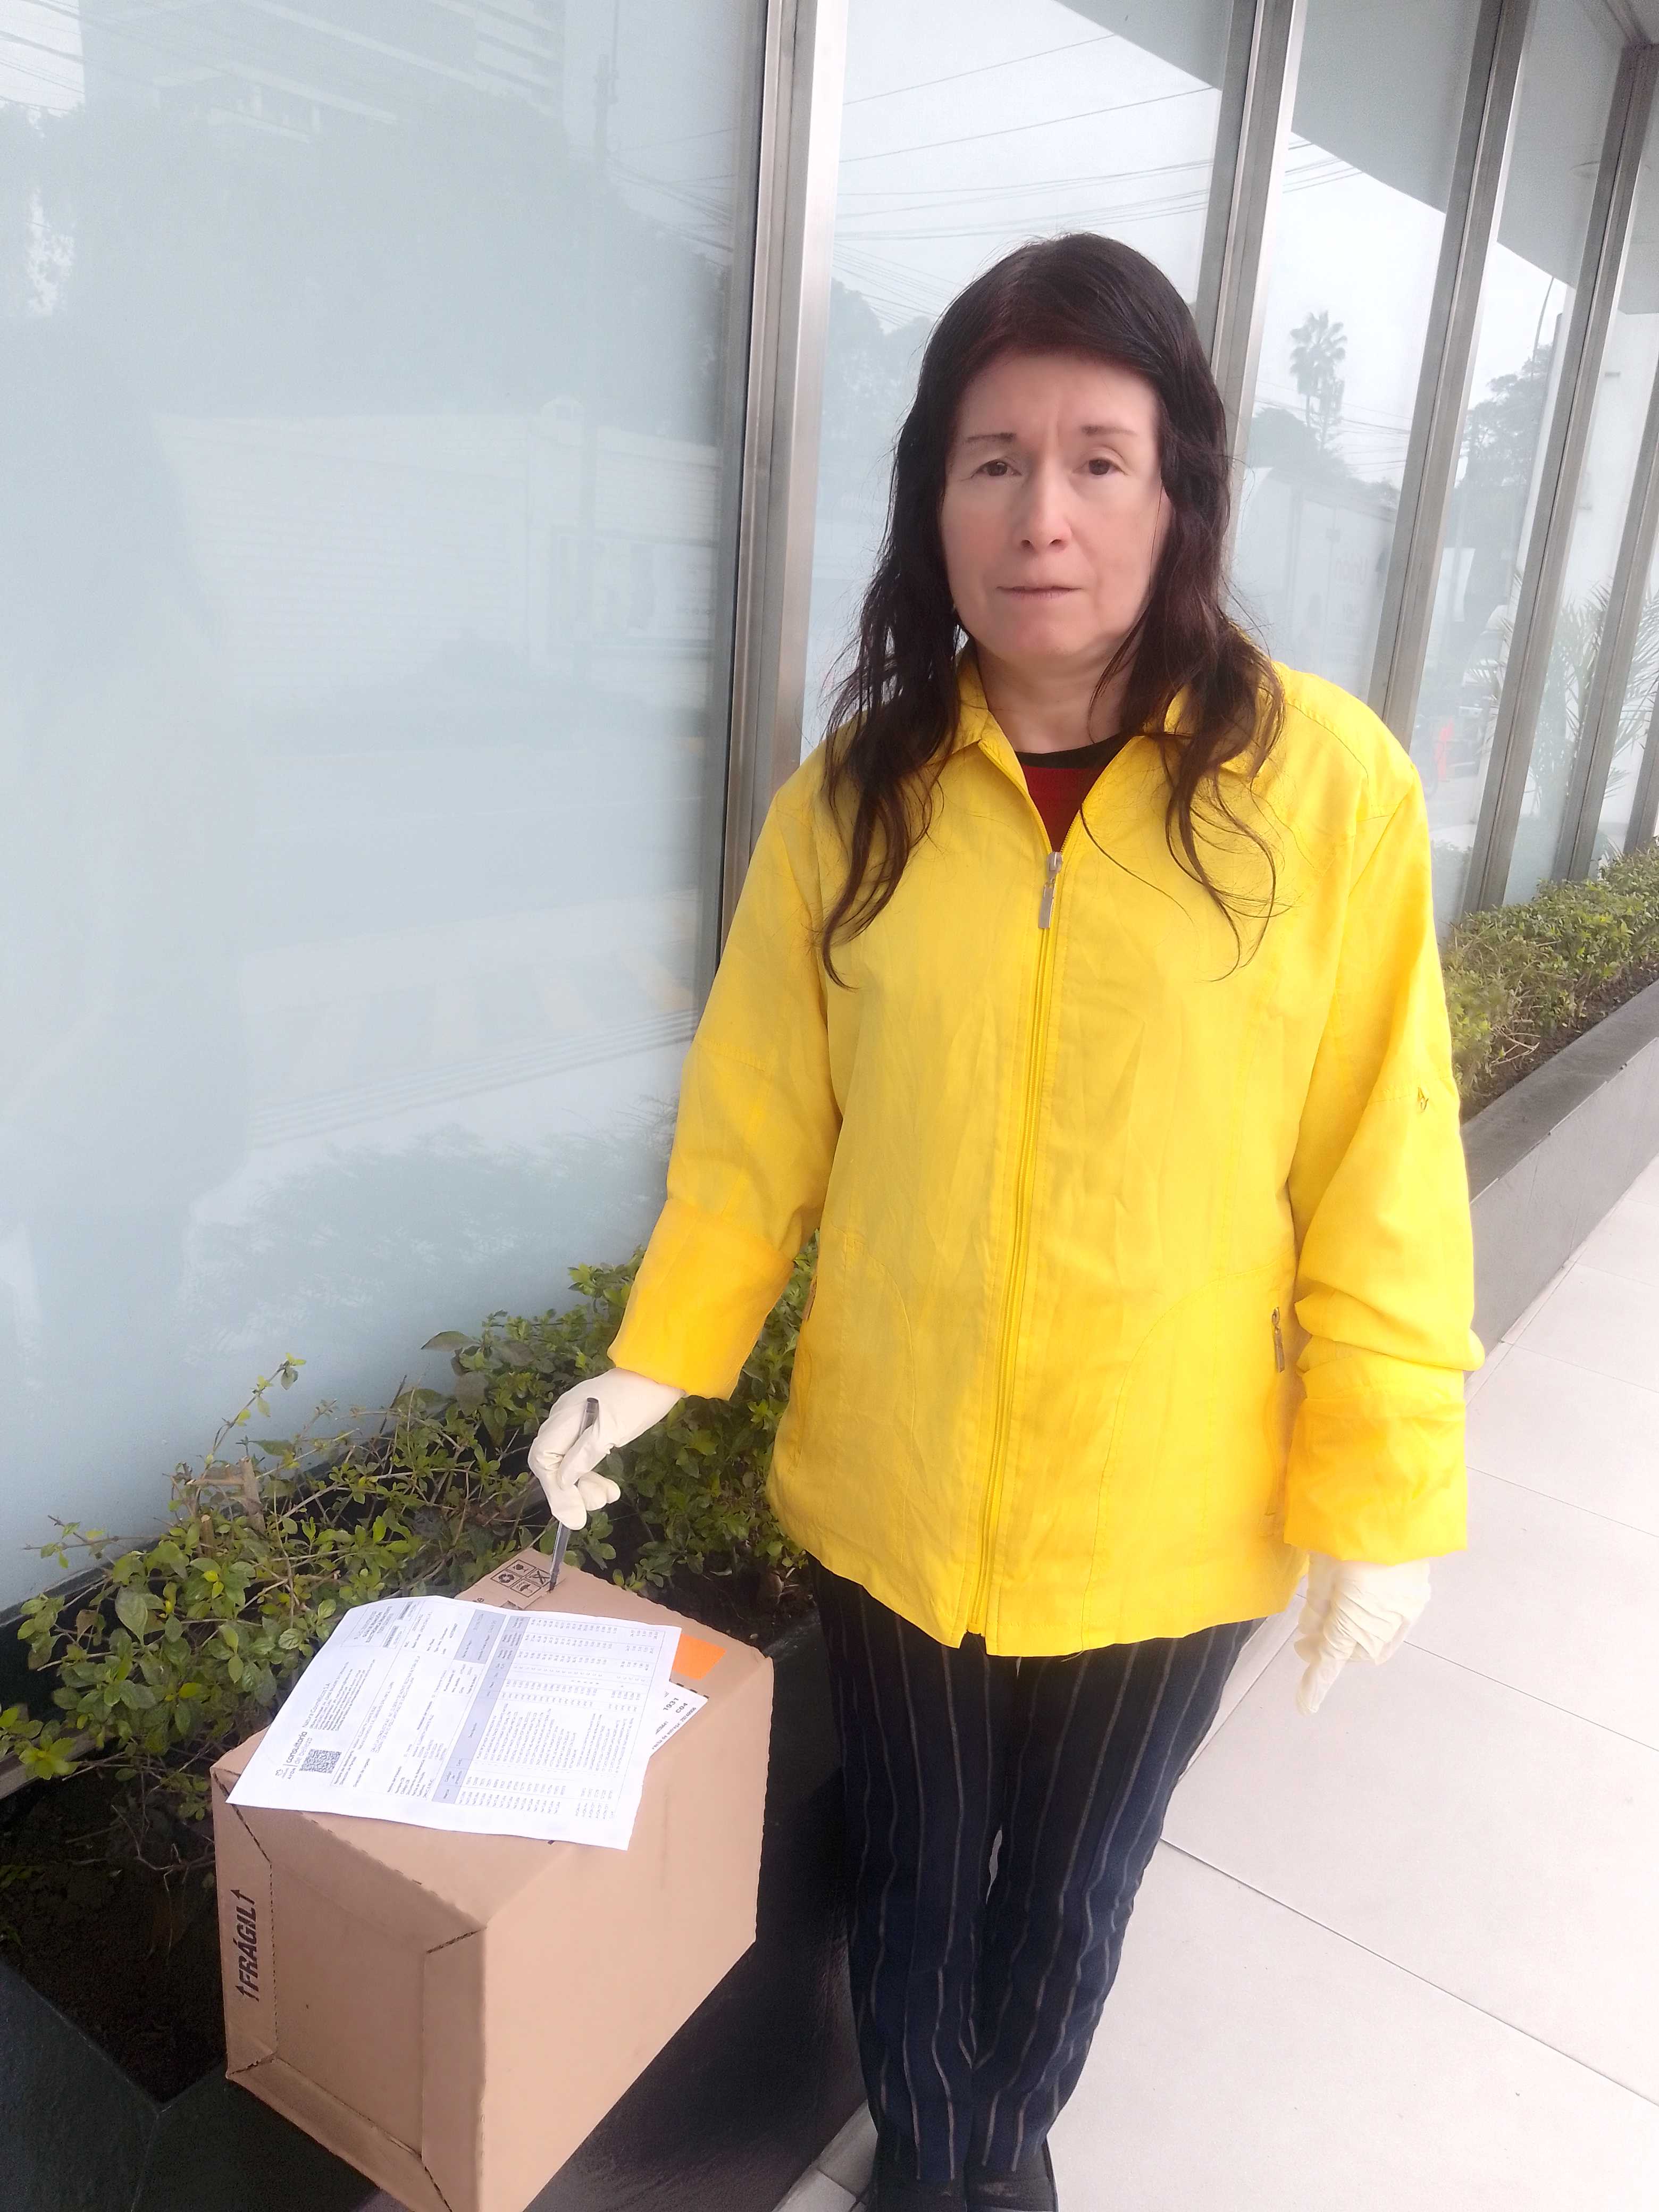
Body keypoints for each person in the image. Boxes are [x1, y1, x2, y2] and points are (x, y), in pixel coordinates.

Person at [525, 234, 1484, 2211]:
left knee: (1071, 1892)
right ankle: (953, 2160)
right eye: (992, 461)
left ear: (1179, 493)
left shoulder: (1324, 792)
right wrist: (661, 1358)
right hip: (894, 1481)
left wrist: (1382, 1490)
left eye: (1098, 460)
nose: (1042, 515)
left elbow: (1381, 1167)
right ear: (933, 503)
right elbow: (755, 1131)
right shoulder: (853, 802)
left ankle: (979, 2147)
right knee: (910, 1875)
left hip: (1167, 1501)